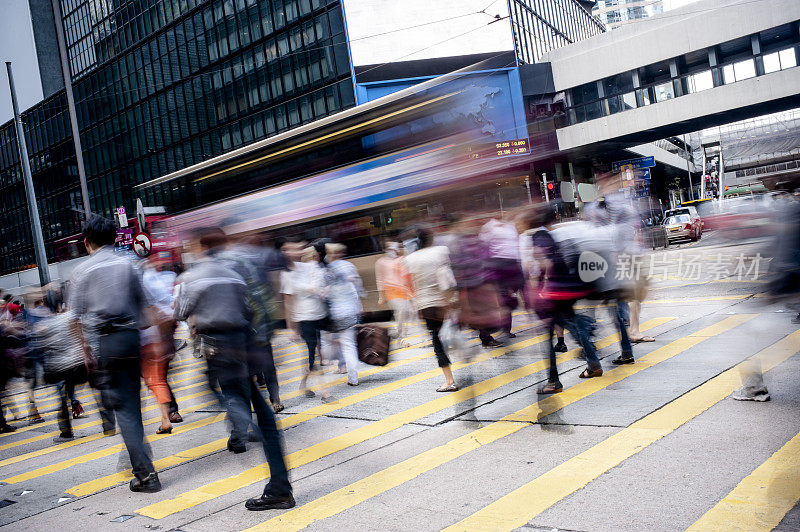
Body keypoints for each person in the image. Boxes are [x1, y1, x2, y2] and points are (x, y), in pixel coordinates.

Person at [174, 227, 294, 510]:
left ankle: (244, 426)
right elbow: (249, 309)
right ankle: (279, 485)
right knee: (261, 412)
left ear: (201, 246)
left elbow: (179, 311)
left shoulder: (193, 276)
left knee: (228, 395)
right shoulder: (234, 273)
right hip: (243, 345)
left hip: (217, 347)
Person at [68, 214, 161, 493]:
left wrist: (86, 350)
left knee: (125, 413)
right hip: (131, 340)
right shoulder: (129, 264)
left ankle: (145, 475)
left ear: (86, 242)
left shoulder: (81, 272)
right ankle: (142, 462)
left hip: (106, 345)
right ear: (114, 238)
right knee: (133, 407)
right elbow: (147, 311)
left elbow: (74, 318)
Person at [530, 204, 602, 394]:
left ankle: (553, 381)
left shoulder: (539, 236)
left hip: (555, 291)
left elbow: (544, 263)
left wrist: (541, 289)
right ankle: (593, 362)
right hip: (570, 288)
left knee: (548, 334)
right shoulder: (556, 235)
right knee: (571, 322)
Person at [404, 226, 458, 392]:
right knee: (453, 332)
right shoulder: (442, 251)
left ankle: (449, 380)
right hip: (445, 302)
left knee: (437, 341)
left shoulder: (411, 259)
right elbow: (448, 277)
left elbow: (411, 284)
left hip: (426, 305)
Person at [280, 243, 331, 400]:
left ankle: (304, 384)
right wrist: (291, 328)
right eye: (291, 249)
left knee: (316, 352)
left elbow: (323, 280)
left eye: (297, 248)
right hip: (303, 318)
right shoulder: (286, 275)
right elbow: (288, 303)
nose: (295, 251)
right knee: (312, 352)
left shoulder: (308, 267)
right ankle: (324, 391)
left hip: (319, 315)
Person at [140, 261, 182, 434]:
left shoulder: (142, 289)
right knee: (157, 380)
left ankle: (169, 415)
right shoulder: (152, 288)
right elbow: (165, 316)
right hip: (154, 342)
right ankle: (169, 414)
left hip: (144, 345)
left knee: (155, 381)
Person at [322, 243, 364, 386]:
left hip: (336, 313)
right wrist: (359, 306)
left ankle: (336, 367)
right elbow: (356, 288)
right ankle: (353, 378)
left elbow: (325, 294)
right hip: (350, 311)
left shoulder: (327, 271)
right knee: (349, 344)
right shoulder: (348, 266)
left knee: (336, 342)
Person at [480, 215, 525, 339]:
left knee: (507, 298)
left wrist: (518, 266)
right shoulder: (488, 227)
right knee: (495, 301)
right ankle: (485, 332)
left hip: (510, 267)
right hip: (496, 267)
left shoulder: (511, 227)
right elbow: (484, 248)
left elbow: (515, 248)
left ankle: (506, 329)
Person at [375, 237, 415, 345]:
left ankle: (399, 333)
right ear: (385, 249)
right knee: (402, 311)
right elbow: (380, 279)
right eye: (389, 247)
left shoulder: (400, 260)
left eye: (394, 247)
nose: (393, 249)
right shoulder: (381, 262)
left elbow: (407, 276)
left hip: (403, 291)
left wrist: (411, 291)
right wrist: (381, 296)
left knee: (406, 313)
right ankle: (402, 337)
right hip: (391, 292)